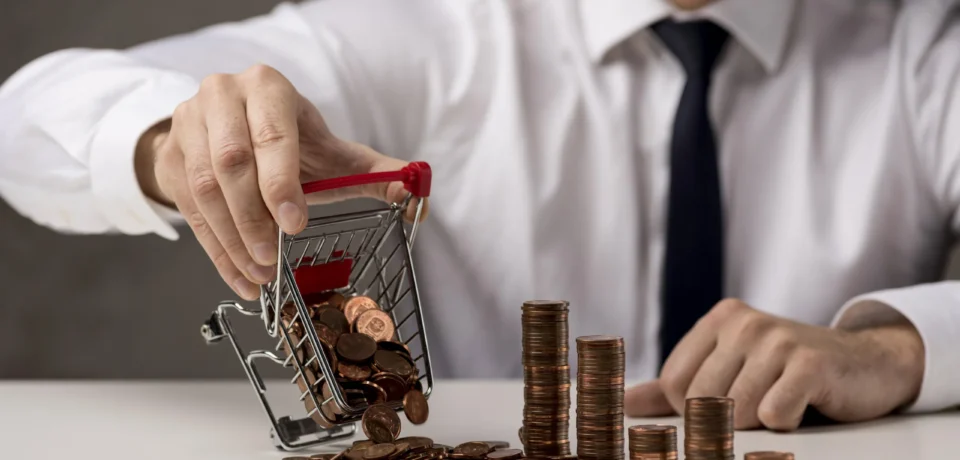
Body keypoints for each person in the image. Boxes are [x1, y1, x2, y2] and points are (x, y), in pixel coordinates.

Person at [1, 0, 959, 431]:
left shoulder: (924, 46)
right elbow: (25, 118)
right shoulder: (439, 32)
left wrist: (903, 351)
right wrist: (168, 141)